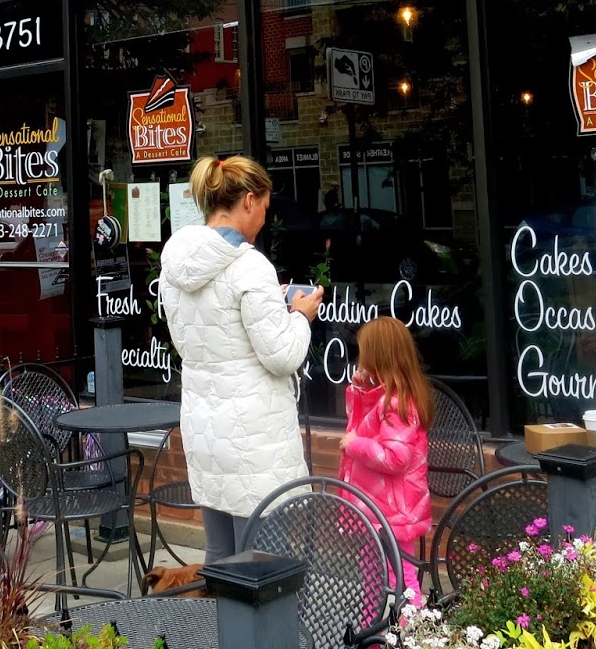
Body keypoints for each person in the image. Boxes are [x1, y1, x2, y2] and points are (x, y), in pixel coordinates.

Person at [159, 155, 324, 562]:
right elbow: (282, 355)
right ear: (248, 201)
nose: (265, 220)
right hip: (254, 439)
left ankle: (217, 610)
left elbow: (200, 337)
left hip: (205, 430)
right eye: (265, 207)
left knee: (219, 552)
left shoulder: (175, 264)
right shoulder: (251, 267)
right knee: (262, 562)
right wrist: (301, 315)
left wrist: (271, 303)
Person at [340, 316, 435, 597]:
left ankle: (413, 623)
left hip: (393, 511)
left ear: (377, 357)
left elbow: (396, 458)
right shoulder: (386, 397)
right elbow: (359, 423)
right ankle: (372, 624)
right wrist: (359, 391)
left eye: (364, 353)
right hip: (378, 507)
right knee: (372, 574)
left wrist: (355, 445)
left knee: (401, 577)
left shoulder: (395, 403)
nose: (360, 359)